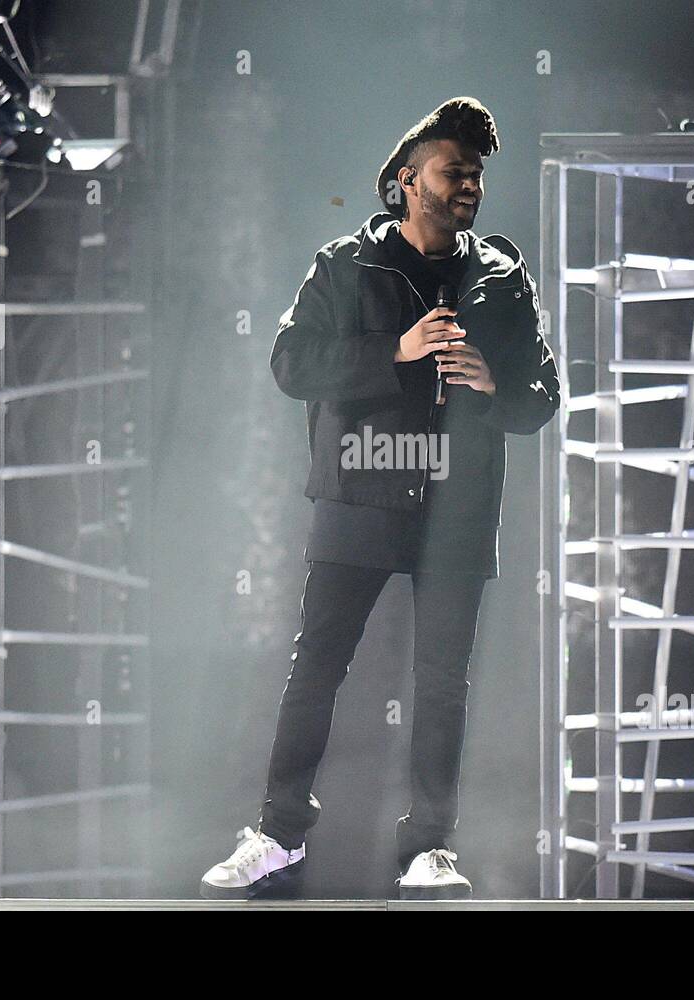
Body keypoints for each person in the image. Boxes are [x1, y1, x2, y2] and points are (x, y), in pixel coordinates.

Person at [200, 96, 560, 900]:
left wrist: (496, 385)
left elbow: (544, 394)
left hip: (458, 509)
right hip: (359, 493)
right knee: (316, 670)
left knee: (441, 683)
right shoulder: (345, 265)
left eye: (475, 173)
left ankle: (429, 848)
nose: (468, 184)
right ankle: (278, 834)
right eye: (452, 170)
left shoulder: (501, 274)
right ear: (406, 181)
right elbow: (291, 365)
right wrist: (394, 351)